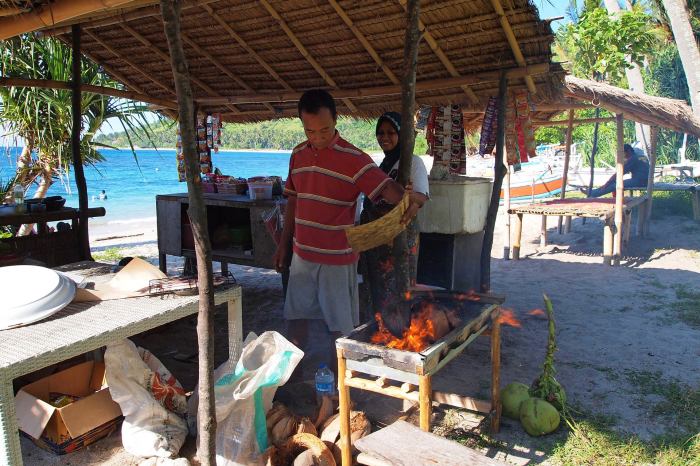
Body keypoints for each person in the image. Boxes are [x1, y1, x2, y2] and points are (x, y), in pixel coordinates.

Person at [273, 90, 417, 377]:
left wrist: (407, 197)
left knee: (338, 328)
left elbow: (388, 190)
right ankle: (290, 380)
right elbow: (293, 200)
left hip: (338, 259)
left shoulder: (354, 159)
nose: (318, 137)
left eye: (325, 129)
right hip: (302, 255)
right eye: (310, 130)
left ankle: (338, 382)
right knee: (296, 319)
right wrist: (283, 246)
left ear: (336, 121)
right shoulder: (298, 155)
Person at [360, 112, 429, 315]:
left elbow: (422, 198)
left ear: (401, 135)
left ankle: (401, 330)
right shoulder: (383, 165)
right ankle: (381, 327)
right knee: (378, 287)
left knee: (401, 287)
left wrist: (408, 196)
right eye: (380, 133)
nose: (385, 137)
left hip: (400, 239)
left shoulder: (413, 162)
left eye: (391, 132)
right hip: (378, 240)